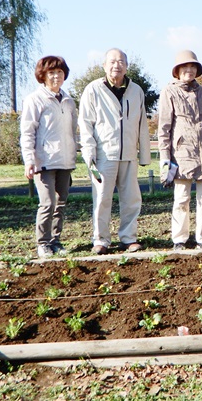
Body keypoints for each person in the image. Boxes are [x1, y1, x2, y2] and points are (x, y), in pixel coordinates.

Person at [78, 48, 151, 254]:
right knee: (102, 199)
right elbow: (85, 123)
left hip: (129, 154)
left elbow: (142, 123)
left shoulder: (136, 91)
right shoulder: (93, 89)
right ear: (104, 66)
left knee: (131, 199)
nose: (116, 65)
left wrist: (144, 154)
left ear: (126, 66)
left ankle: (129, 238)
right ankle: (100, 240)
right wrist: (89, 152)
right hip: (104, 155)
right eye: (112, 61)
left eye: (120, 62)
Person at [158, 50, 202, 250]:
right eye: (185, 66)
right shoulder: (169, 92)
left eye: (193, 66)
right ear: (177, 70)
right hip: (181, 154)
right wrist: (165, 159)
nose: (189, 70)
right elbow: (164, 129)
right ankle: (179, 239)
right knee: (181, 199)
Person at [20, 56, 77, 258]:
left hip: (65, 160)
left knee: (60, 203)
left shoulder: (68, 101)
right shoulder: (35, 100)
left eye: (59, 72)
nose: (56, 76)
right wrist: (29, 160)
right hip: (44, 161)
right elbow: (28, 132)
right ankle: (43, 243)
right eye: (51, 73)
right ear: (43, 76)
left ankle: (55, 241)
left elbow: (72, 131)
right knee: (47, 203)